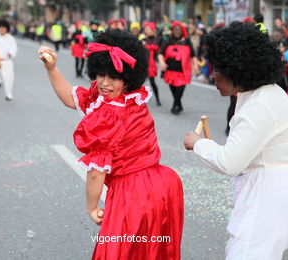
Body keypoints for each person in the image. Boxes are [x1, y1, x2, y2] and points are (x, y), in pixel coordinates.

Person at [39, 29, 184, 259]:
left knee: (118, 253)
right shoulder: (127, 96)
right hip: (163, 186)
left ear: (127, 76)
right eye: (100, 74)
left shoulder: (110, 113)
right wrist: (52, 69)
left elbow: (96, 172)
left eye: (113, 76)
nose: (105, 83)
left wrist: (91, 206)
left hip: (133, 193)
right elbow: (71, 97)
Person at [183, 22, 288, 260]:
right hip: (279, 195)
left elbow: (229, 162)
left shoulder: (260, 104)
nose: (213, 74)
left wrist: (197, 143)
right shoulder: (264, 94)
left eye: (218, 68)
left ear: (237, 69)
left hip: (270, 198)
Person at [158, 21, 199, 115]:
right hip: (170, 71)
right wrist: (162, 62)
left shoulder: (187, 41)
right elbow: (160, 53)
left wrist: (196, 66)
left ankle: (174, 106)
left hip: (183, 71)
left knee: (180, 88)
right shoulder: (167, 40)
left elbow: (193, 55)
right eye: (175, 30)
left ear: (182, 31)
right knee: (174, 90)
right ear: (172, 31)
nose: (176, 32)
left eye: (178, 30)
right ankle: (179, 104)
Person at [0, 19, 18, 101]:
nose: (2, 29)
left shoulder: (10, 38)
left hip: (6, 60)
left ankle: (8, 94)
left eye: (4, 28)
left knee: (8, 78)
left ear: (7, 29)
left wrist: (11, 53)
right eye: (0, 28)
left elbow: (14, 48)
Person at [142, 22, 161, 105]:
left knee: (152, 83)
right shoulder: (144, 39)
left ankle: (157, 99)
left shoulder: (156, 39)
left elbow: (156, 48)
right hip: (144, 63)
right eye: (145, 29)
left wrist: (146, 46)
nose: (146, 31)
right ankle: (137, 99)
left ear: (152, 30)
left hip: (151, 63)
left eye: (147, 29)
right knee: (140, 82)